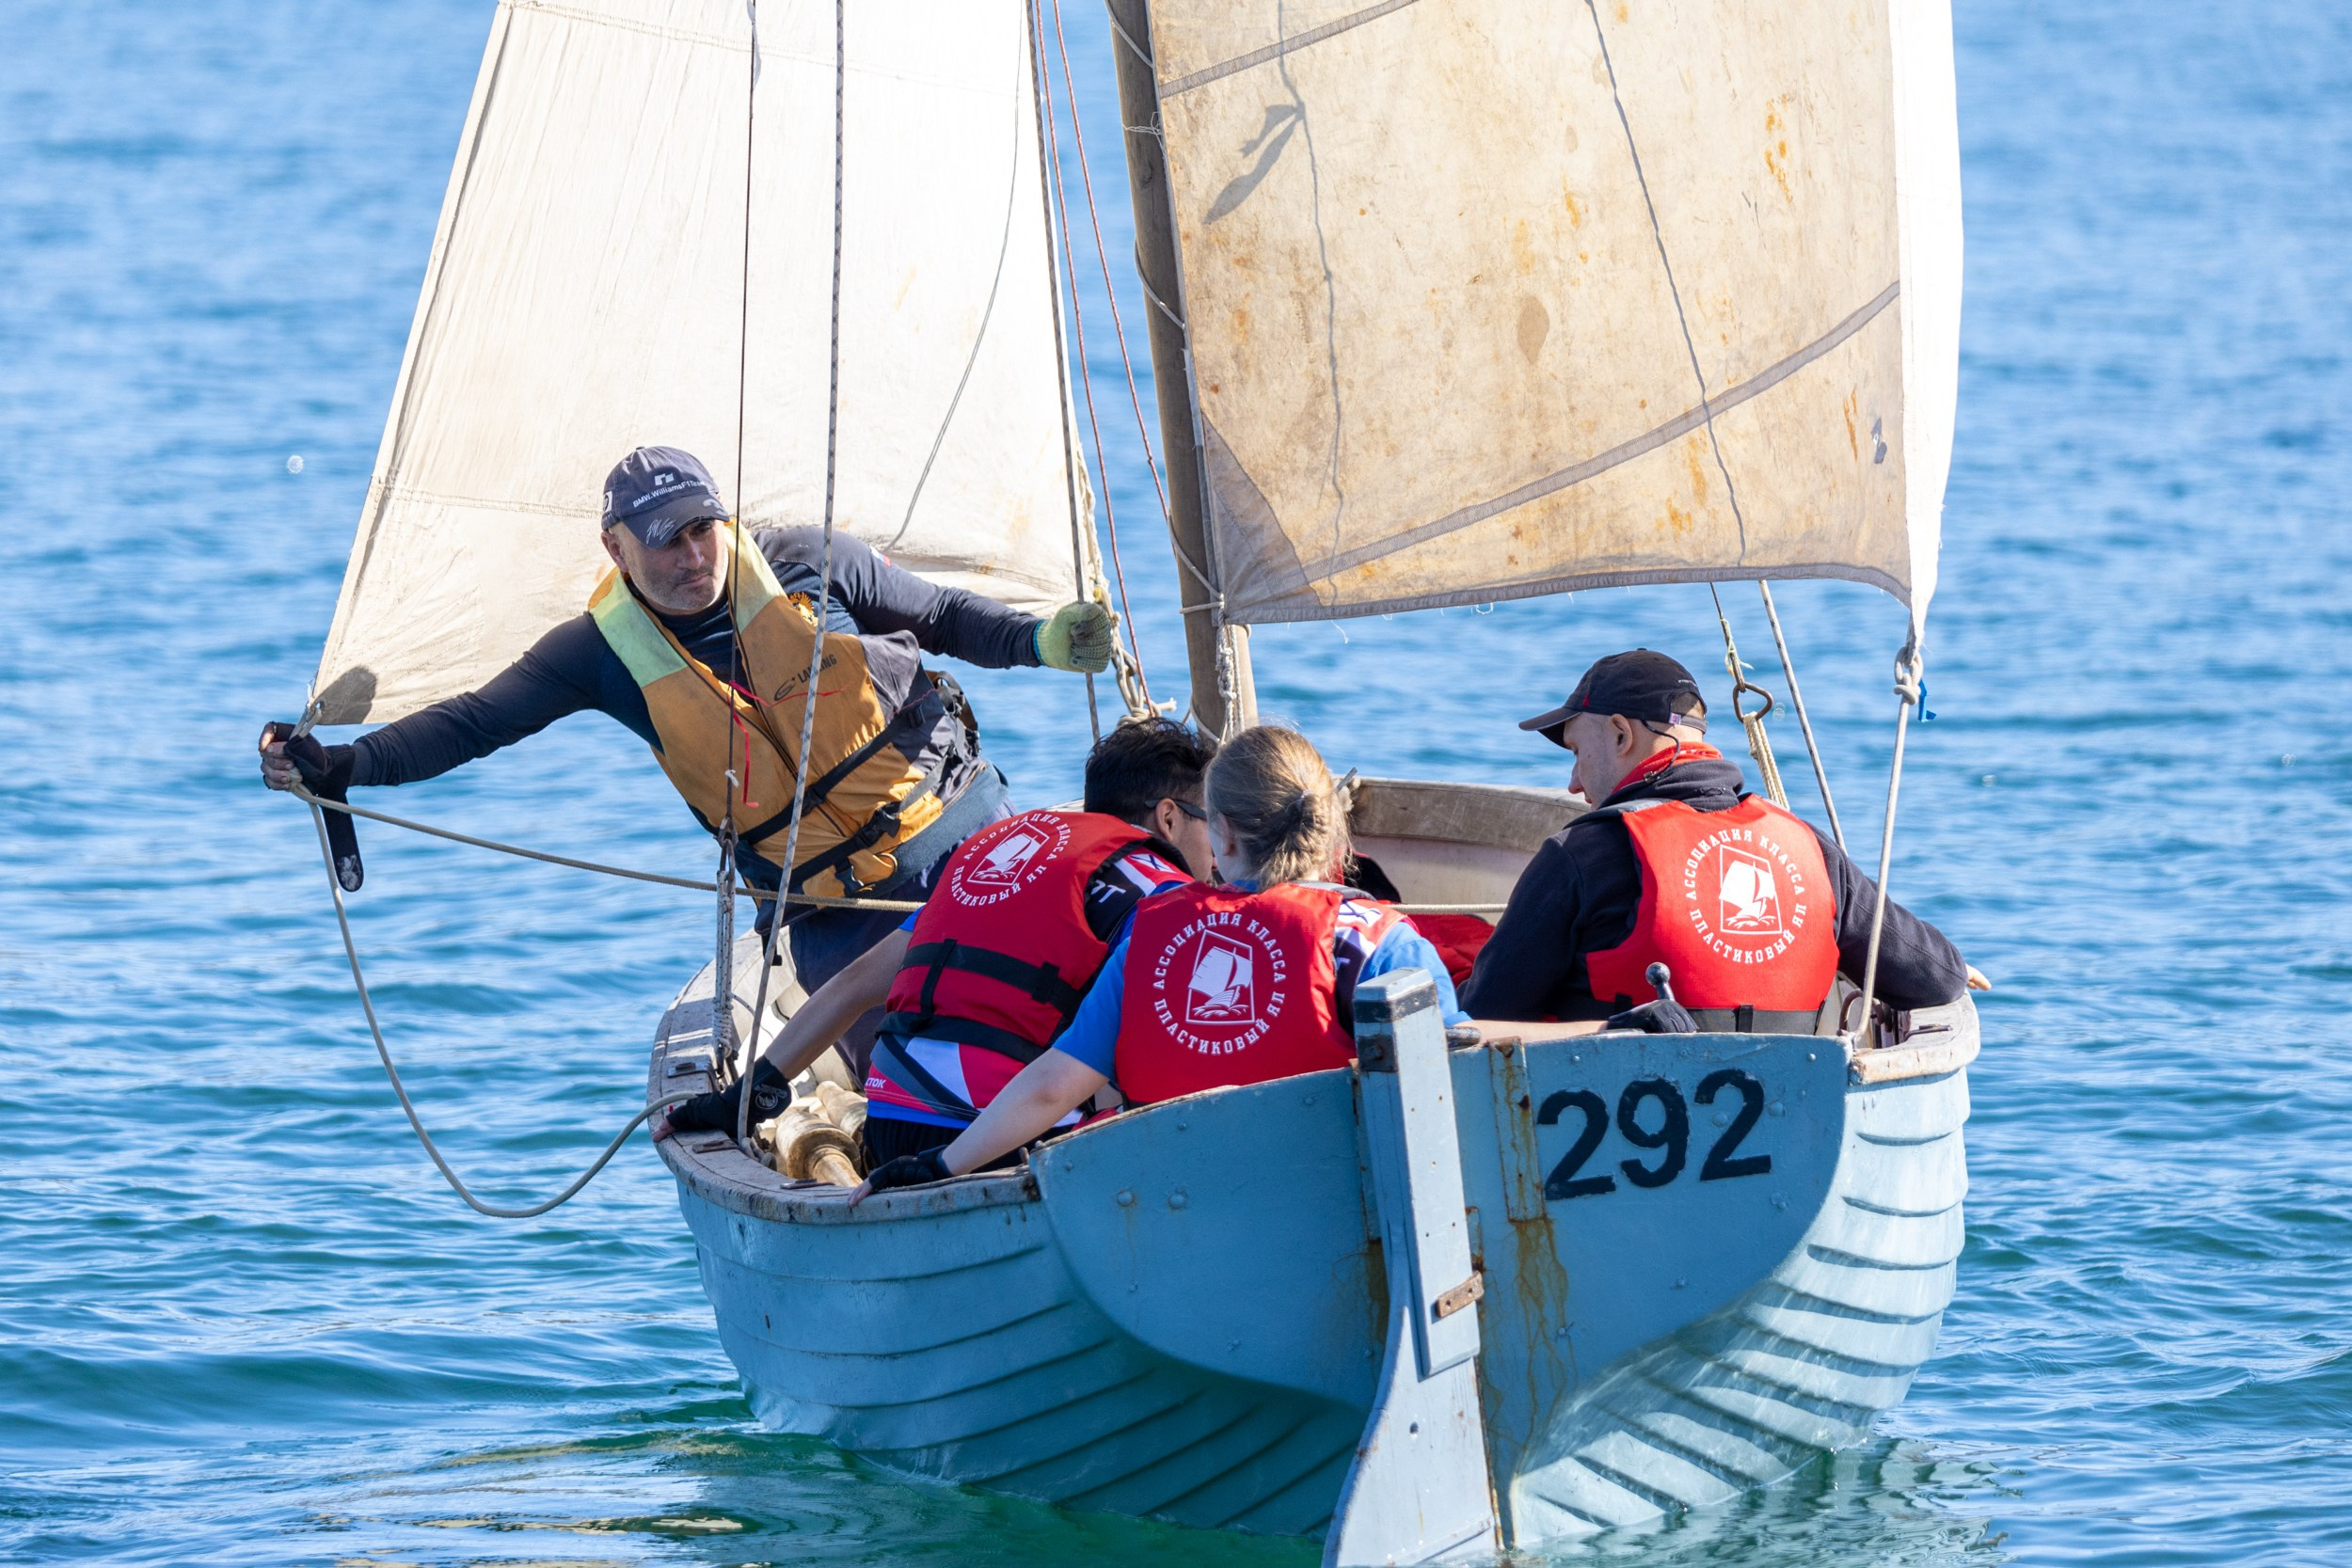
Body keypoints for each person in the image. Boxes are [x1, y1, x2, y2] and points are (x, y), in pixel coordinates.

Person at [262, 446, 1115, 1073]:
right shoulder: (599, 653)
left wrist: (1043, 640)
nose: (693, 557)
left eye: (703, 530)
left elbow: (948, 616)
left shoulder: (810, 560)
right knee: (929, 1087)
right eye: (666, 540)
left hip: (975, 855)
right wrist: (343, 764)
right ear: (616, 548)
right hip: (833, 918)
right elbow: (473, 722)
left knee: (1083, 1025)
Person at [854, 725, 1470, 1196]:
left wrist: (938, 1165)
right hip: (1330, 1198)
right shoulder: (1376, 939)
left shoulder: (1152, 937)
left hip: (1178, 1216)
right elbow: (1457, 1084)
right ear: (1332, 824)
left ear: (1223, 835)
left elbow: (1050, 1088)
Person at [658, 717, 1218, 1162]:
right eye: (1212, 821)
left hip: (893, 1128)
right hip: (998, 1144)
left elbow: (852, 986)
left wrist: (746, 1096)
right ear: (1169, 818)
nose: (1218, 848)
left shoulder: (991, 854)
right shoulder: (1160, 893)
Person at [1460, 649, 1986, 1033]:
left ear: (1621, 734)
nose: (1574, 783)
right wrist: (1956, 967)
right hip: (1794, 1124)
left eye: (1577, 751)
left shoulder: (1580, 855)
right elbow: (1936, 979)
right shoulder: (1808, 847)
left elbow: (1482, 1018)